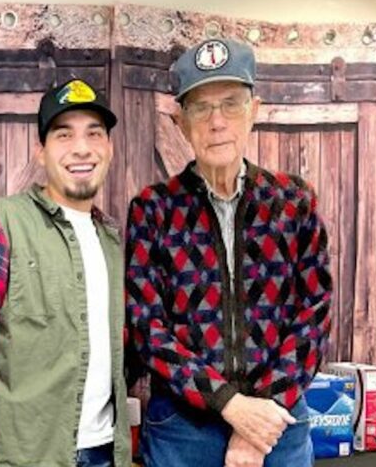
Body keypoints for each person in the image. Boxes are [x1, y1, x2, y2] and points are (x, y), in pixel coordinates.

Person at [124, 39, 332, 467]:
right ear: (181, 121)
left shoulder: (294, 202)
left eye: (231, 103)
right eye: (201, 108)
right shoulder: (153, 209)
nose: (217, 121)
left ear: (254, 110)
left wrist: (259, 420)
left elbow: (314, 314)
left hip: (279, 426)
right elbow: (147, 328)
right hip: (183, 431)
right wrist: (230, 405)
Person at [0, 79, 131, 467]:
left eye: (94, 133)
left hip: (105, 453)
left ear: (109, 149)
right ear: (42, 152)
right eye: (64, 135)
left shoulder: (113, 241)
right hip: (27, 456)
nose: (81, 148)